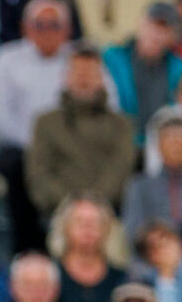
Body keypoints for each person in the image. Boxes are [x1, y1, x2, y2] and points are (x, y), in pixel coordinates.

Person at [0, 0, 75, 250]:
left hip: (71, 149)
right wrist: (36, 146)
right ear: (26, 28)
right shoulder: (7, 58)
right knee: (19, 165)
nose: (47, 31)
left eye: (54, 25)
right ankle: (26, 250)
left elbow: (108, 104)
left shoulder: (80, 58)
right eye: (39, 24)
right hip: (20, 147)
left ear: (67, 29)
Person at [27, 45, 129, 229]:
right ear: (65, 78)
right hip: (57, 217)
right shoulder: (46, 123)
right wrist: (73, 207)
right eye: (78, 72)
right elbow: (39, 175)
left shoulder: (122, 125)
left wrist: (93, 207)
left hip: (108, 218)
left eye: (90, 73)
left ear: (102, 79)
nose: (84, 79)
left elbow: (120, 172)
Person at [49, 197, 126, 302]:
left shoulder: (122, 279)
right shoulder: (49, 277)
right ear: (64, 227)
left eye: (95, 222)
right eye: (79, 221)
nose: (88, 227)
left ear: (107, 228)